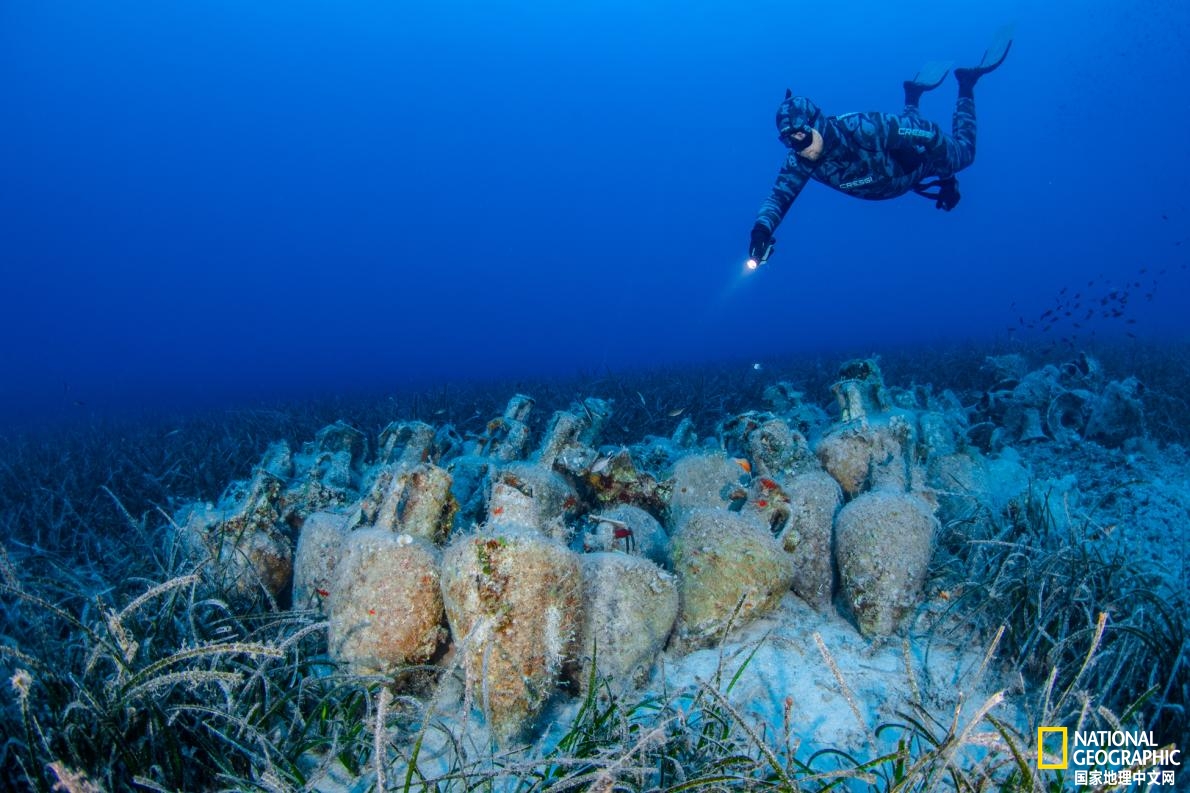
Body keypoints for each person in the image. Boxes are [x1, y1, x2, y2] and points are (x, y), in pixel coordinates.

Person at [747, 27, 1013, 267]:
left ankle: (966, 84)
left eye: (801, 136)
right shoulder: (800, 161)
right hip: (898, 179)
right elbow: (777, 198)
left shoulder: (863, 127)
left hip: (919, 163)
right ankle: (913, 94)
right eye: (788, 141)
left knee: (965, 154)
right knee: (908, 136)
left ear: (816, 124)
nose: (799, 147)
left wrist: (947, 177)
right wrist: (760, 232)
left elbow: (928, 135)